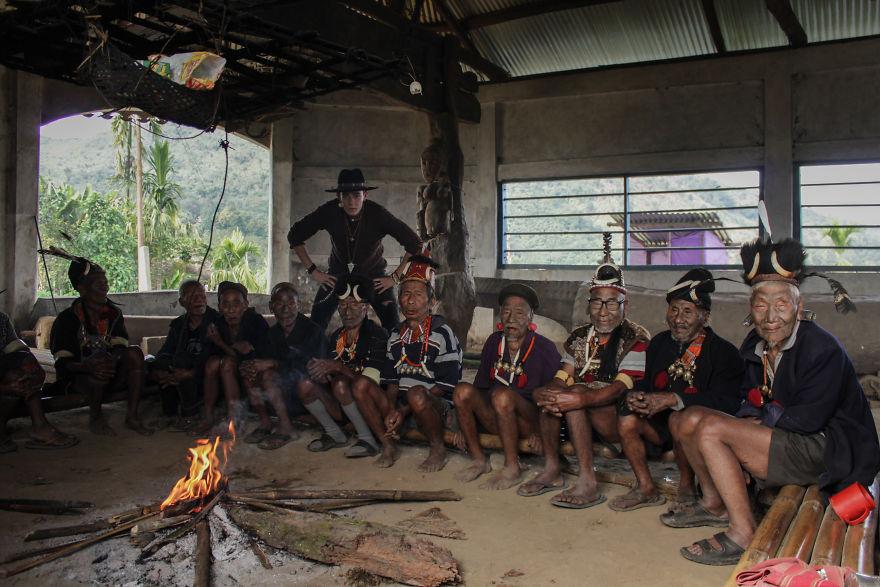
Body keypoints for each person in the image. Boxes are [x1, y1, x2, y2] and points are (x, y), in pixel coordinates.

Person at [672, 237, 880, 566]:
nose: (770, 316)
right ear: (750, 308)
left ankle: (742, 532)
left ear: (798, 305)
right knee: (688, 419)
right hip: (787, 434)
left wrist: (748, 429)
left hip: (830, 447)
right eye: (760, 305)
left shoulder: (821, 348)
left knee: (711, 429)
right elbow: (748, 397)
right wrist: (748, 423)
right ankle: (714, 502)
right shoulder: (755, 344)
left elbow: (808, 420)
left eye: (781, 304)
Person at [519, 233, 649, 508]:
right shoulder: (580, 337)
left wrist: (578, 397)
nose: (603, 311)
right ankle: (553, 469)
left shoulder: (635, 339)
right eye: (597, 302)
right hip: (579, 416)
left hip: (616, 421)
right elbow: (563, 375)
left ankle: (588, 483)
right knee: (555, 393)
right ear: (589, 305)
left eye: (611, 302)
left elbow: (619, 389)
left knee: (575, 393)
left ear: (625, 306)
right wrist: (547, 393)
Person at [610, 269, 743, 512]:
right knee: (627, 418)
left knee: (679, 418)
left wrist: (675, 399)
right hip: (658, 426)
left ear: (704, 316)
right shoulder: (659, 343)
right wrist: (635, 395)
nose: (678, 319)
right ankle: (645, 487)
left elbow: (728, 402)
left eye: (688, 311)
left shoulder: (724, 353)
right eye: (674, 310)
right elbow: (645, 382)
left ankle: (687, 487)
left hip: (696, 431)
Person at [358, 255, 462, 471]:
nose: (411, 301)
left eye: (418, 295)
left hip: (434, 406)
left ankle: (438, 449)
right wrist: (390, 410)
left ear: (431, 302)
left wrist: (403, 411)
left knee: (416, 394)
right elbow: (392, 381)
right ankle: (389, 445)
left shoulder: (442, 333)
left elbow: (446, 385)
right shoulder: (396, 334)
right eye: (406, 294)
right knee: (362, 385)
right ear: (399, 300)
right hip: (403, 405)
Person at [452, 283, 560, 489]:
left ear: (531, 318)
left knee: (503, 395)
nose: (511, 318)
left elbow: (553, 398)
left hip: (528, 423)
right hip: (495, 416)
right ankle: (478, 460)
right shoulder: (494, 342)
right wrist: (462, 425)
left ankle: (512, 468)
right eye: (506, 312)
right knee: (462, 391)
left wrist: (541, 432)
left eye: (519, 313)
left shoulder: (545, 348)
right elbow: (480, 387)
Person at [287, 168, 423, 331]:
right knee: (315, 325)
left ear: (365, 195)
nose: (351, 202)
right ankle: (319, 348)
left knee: (393, 326)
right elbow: (294, 235)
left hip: (373, 275)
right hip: (337, 275)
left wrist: (394, 277)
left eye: (356, 195)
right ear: (339, 197)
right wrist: (314, 271)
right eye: (346, 196)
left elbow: (414, 243)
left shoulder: (377, 214)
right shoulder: (329, 211)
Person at [45, 249, 152, 436]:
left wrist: (112, 359)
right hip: (80, 378)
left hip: (111, 372)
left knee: (134, 353)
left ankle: (132, 416)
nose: (105, 288)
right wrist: (87, 366)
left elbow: (120, 346)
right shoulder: (67, 319)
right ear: (82, 288)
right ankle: (96, 417)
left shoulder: (113, 314)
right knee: (98, 368)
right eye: (99, 284)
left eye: (106, 283)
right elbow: (63, 363)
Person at [304, 275, 387, 457]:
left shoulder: (377, 335)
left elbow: (369, 383)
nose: (347, 311)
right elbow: (330, 372)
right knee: (305, 385)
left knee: (341, 384)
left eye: (355, 305)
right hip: (343, 403)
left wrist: (339, 368)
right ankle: (335, 434)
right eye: (342, 305)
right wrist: (320, 371)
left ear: (366, 308)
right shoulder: (336, 337)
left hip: (370, 404)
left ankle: (368, 440)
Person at [238, 283, 320, 450]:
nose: (285, 309)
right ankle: (266, 422)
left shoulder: (312, 331)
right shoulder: (272, 333)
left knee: (269, 376)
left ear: (299, 305)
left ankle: (287, 427)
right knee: (251, 373)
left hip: (307, 394)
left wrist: (274, 364)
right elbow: (262, 359)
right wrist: (250, 365)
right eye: (279, 303)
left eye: (291, 303)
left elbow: (312, 368)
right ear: (271, 307)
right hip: (278, 395)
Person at [193, 281, 271, 438]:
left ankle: (234, 419)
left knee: (227, 363)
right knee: (212, 363)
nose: (231, 309)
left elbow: (251, 359)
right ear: (219, 307)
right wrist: (228, 346)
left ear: (245, 305)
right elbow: (208, 355)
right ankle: (208, 416)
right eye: (225, 304)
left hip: (252, 378)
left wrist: (221, 343)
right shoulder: (218, 324)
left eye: (236, 303)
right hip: (226, 382)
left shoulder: (256, 322)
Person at [1, 310, 78, 451]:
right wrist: (5, 388)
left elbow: (17, 350)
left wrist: (34, 372)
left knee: (23, 372)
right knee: (13, 382)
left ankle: (39, 426)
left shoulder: (1, 319)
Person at [151, 280, 218, 429]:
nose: (199, 299)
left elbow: (216, 354)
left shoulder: (217, 320)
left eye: (202, 295)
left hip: (206, 375)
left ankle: (190, 414)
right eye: (193, 296)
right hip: (180, 374)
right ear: (182, 302)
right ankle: (169, 414)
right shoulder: (178, 324)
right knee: (164, 364)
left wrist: (191, 372)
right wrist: (161, 371)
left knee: (183, 361)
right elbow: (166, 350)